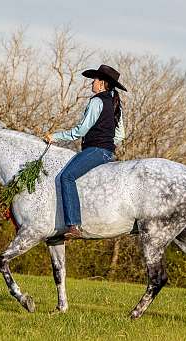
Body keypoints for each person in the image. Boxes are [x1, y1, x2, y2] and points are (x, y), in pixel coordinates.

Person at [44, 64, 127, 239]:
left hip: (96, 150)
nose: (92, 82)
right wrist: (108, 145)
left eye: (95, 80)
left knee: (66, 177)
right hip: (107, 152)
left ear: (102, 83)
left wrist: (55, 136)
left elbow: (80, 131)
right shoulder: (116, 103)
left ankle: (74, 225)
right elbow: (120, 135)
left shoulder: (96, 101)